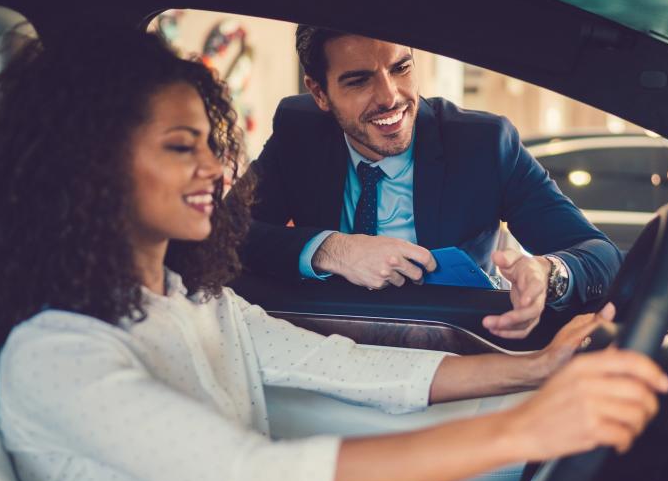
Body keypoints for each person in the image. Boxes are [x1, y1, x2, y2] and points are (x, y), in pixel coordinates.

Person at [0, 25, 668, 481]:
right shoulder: (57, 355)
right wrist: (527, 427)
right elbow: (254, 473)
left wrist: (534, 368)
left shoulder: (194, 301)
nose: (216, 171)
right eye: (179, 147)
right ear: (89, 167)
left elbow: (346, 363)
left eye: (210, 144)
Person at [238, 25, 623, 340]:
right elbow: (227, 233)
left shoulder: (484, 144)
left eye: (401, 68)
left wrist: (548, 274)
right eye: (359, 81)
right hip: (321, 345)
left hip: (449, 346)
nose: (391, 97)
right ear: (320, 92)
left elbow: (600, 254)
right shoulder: (298, 129)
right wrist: (333, 250)